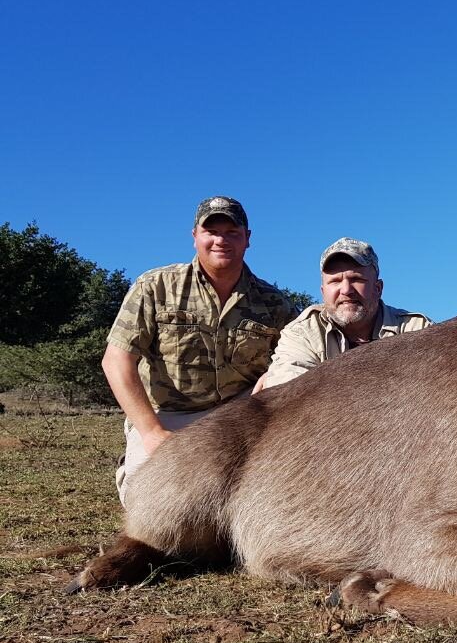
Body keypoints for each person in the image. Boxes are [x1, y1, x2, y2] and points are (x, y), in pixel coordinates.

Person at [103, 196, 296, 503]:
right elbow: (116, 361)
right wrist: (152, 434)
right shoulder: (155, 286)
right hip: (169, 417)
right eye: (212, 231)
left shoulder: (275, 303)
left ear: (248, 239)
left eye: (233, 232)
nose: (221, 240)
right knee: (155, 506)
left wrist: (272, 380)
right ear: (195, 236)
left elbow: (297, 357)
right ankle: (135, 465)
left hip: (241, 417)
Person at [255, 238, 431, 390]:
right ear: (323, 292)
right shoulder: (301, 334)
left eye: (357, 279)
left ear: (378, 289)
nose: (346, 290)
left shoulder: (417, 329)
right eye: (335, 281)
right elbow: (291, 399)